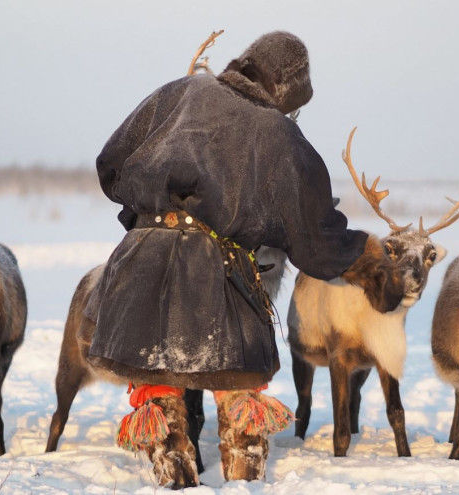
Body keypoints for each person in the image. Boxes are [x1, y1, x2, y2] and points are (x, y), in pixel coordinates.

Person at [85, 31, 403, 488]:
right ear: (287, 89)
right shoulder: (279, 135)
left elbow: (111, 164)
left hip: (138, 269)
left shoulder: (181, 91)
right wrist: (373, 267)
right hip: (219, 280)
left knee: (162, 418)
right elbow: (315, 242)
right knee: (242, 417)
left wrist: (150, 216)